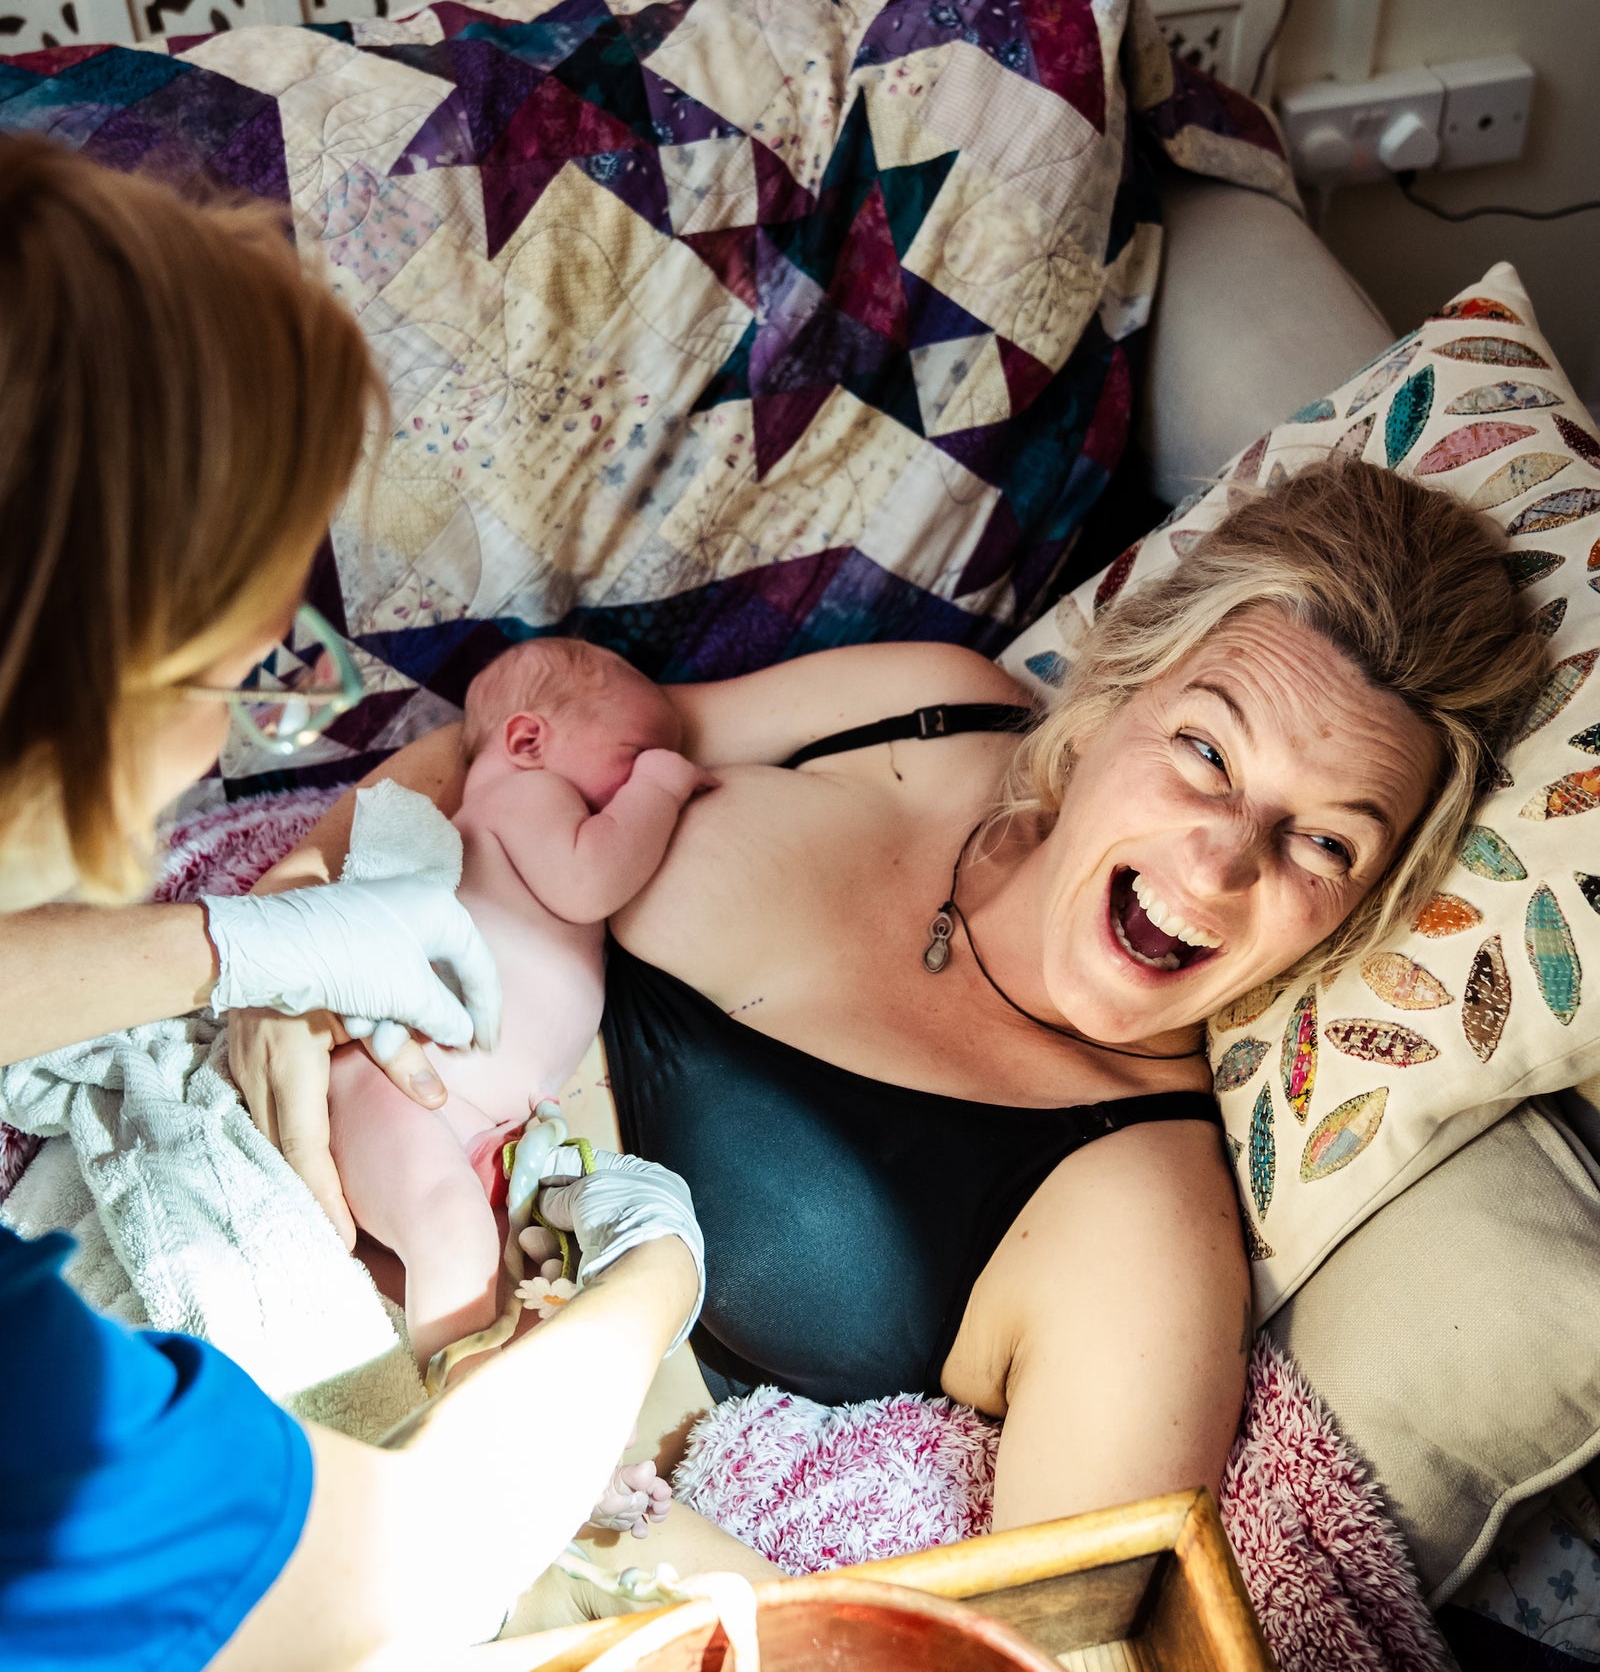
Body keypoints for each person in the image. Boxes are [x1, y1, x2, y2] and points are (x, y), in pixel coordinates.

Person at [243, 458, 1547, 1547]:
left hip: (386, 1478)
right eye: (1206, 750)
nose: (1222, 861)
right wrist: (289, 927)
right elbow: (500, 755)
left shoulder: (1141, 1229)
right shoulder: (919, 709)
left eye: (1325, 845)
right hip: (248, 1137)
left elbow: (1053, 1637)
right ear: (1108, 704)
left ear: (1367, 909)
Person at [0, 134, 731, 1671]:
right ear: (58, 691)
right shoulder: (42, 1418)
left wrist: (231, 944)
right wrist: (652, 1275)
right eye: (233, 674)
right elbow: (408, 1577)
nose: (228, 744)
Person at [328, 638, 712, 1381]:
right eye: (633, 754)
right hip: (396, 1081)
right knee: (454, 1235)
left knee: (494, 1283)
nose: (641, 773)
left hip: (465, 1120)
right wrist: (661, 786)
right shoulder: (524, 796)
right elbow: (592, 879)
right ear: (528, 740)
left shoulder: (534, 802)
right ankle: (471, 1422)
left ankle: (490, 1396)